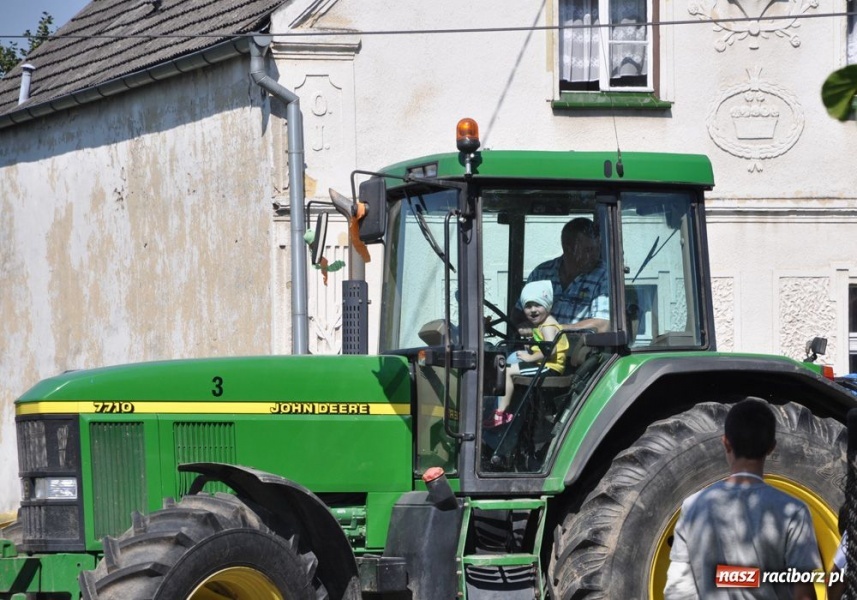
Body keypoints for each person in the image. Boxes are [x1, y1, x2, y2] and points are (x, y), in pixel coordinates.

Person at [664, 399, 821, 600]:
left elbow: (678, 590)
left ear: (726, 443)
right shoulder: (793, 511)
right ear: (771, 447)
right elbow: (803, 595)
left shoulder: (693, 507)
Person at [485, 280, 569, 429]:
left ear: (548, 305)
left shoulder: (548, 326)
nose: (533, 310)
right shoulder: (542, 324)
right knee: (503, 365)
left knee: (506, 370)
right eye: (528, 306)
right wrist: (531, 345)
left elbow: (551, 350)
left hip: (549, 367)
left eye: (538, 305)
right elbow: (543, 346)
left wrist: (530, 357)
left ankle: (500, 413)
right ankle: (499, 410)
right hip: (545, 364)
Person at [524, 217, 609, 332]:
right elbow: (519, 313)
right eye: (588, 250)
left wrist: (555, 330)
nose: (595, 255)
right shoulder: (542, 273)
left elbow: (602, 325)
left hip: (583, 348)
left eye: (597, 249)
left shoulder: (604, 275)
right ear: (568, 248)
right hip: (540, 346)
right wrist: (523, 327)